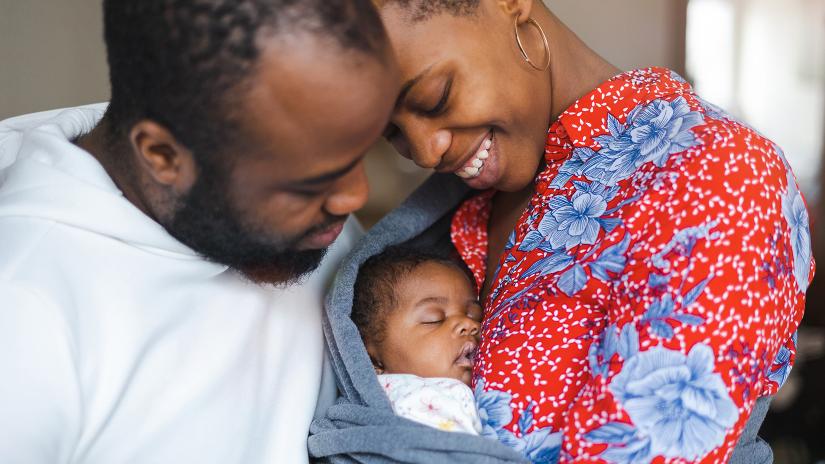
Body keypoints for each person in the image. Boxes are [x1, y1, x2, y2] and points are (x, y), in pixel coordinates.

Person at [369, 0, 814, 462]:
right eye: (393, 134)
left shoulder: (722, 173)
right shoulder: (478, 202)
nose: (424, 152)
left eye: (435, 97)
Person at [0, 1, 399, 463]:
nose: (355, 198)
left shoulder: (304, 197)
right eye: (309, 183)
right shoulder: (25, 314)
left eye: (360, 155)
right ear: (163, 155)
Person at [351, 247, 484, 434]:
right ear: (372, 357)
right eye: (434, 319)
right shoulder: (418, 399)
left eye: (475, 315)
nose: (468, 323)